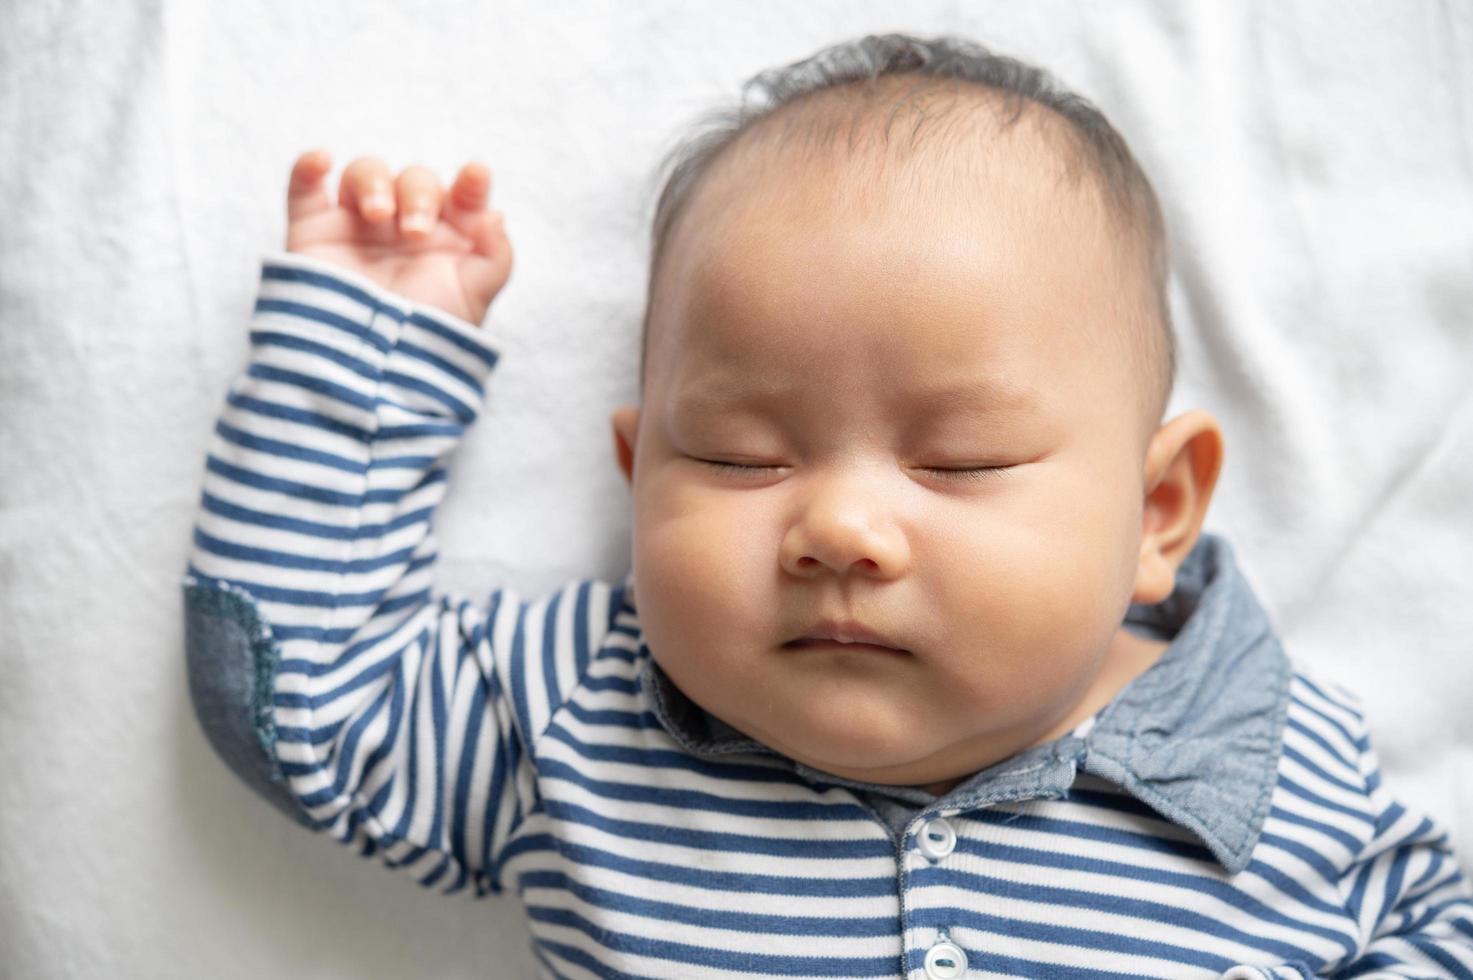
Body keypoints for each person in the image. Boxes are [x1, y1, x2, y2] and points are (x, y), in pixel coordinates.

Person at [181, 33, 1473, 979]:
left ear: (1155, 513)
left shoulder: (1276, 772)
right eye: (742, 457)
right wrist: (363, 351)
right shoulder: (583, 712)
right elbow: (305, 701)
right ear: (638, 483)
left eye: (958, 460)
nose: (841, 529)